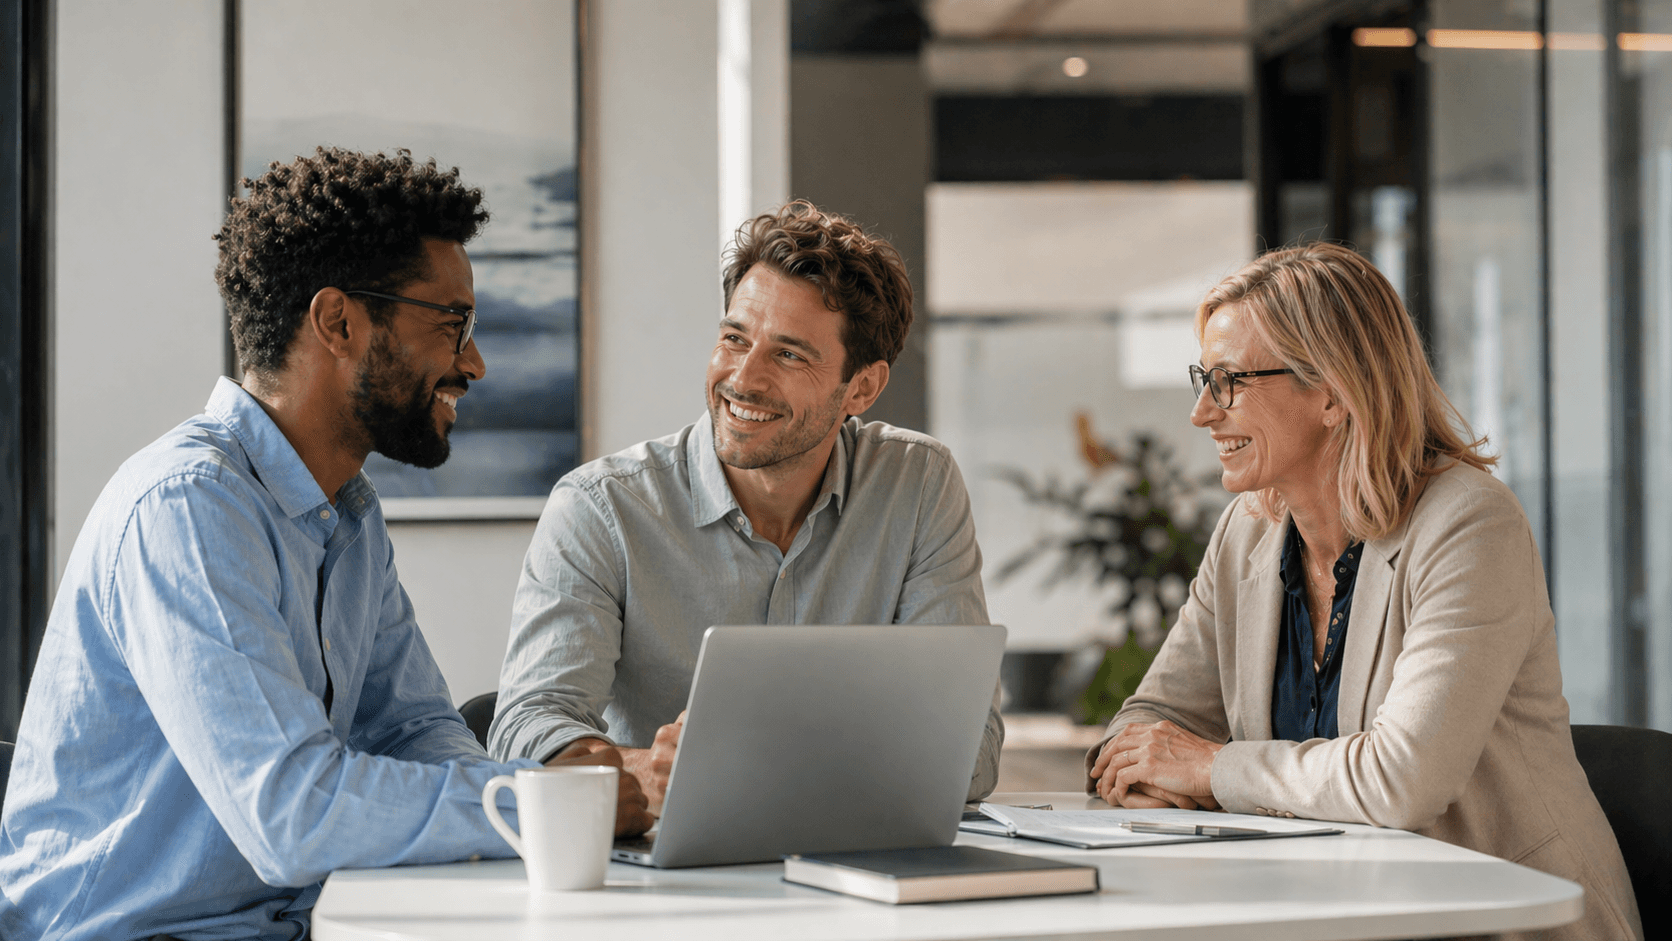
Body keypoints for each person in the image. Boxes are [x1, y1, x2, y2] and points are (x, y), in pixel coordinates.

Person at [0, 148, 651, 941]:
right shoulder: (187, 508)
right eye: (452, 324)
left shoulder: (349, 515)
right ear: (338, 322)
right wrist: (545, 803)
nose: (472, 361)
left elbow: (413, 729)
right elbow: (291, 811)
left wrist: (555, 797)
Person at [1086, 242, 1641, 941]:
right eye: (1204, 378)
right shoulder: (1248, 533)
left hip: (1500, 922)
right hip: (1323, 916)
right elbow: (1146, 725)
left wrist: (1211, 766)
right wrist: (1153, 766)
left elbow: (1401, 779)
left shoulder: (1469, 523)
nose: (1202, 412)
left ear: (1332, 394)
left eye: (1228, 381)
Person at [490, 200, 1003, 804]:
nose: (743, 378)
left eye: (789, 354)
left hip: (856, 863)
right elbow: (525, 728)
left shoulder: (918, 484)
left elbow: (969, 752)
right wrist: (638, 771)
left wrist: (766, 766)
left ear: (861, 387)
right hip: (666, 872)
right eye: (735, 338)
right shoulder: (600, 508)